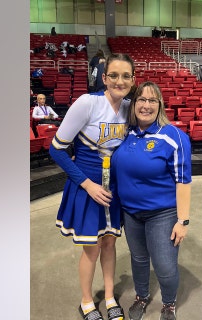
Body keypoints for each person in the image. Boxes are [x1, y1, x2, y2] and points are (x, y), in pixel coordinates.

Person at [49, 53, 136, 320]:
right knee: (92, 247)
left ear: (132, 80)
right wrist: (87, 185)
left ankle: (109, 297)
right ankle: (87, 301)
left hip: (114, 190)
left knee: (110, 244)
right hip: (89, 188)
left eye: (125, 76)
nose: (119, 81)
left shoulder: (130, 107)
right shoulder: (87, 103)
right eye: (114, 75)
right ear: (104, 77)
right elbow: (57, 150)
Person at [111, 81, 192, 320]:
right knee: (138, 259)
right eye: (141, 100)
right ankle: (142, 296)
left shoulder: (174, 136)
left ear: (160, 105)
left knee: (165, 266)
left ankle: (169, 303)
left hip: (162, 214)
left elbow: (183, 181)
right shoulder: (126, 134)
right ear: (133, 104)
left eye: (152, 100)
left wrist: (183, 221)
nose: (146, 105)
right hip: (131, 213)